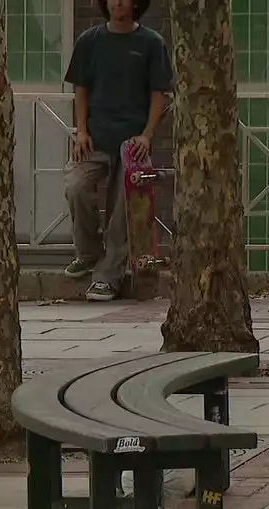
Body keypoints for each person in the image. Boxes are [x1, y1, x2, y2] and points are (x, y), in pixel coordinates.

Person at [63, 0, 174, 302]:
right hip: (95, 137)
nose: (118, 2)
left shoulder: (151, 43)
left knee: (123, 209)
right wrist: (81, 131)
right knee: (76, 186)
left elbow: (159, 94)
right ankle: (88, 254)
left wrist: (148, 136)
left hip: (132, 143)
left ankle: (107, 278)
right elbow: (80, 89)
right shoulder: (90, 41)